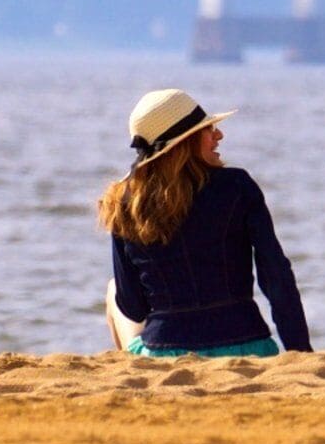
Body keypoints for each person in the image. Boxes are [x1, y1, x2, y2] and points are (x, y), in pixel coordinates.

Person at [99, 88, 312, 359]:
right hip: (247, 346)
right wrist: (301, 352)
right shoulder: (237, 187)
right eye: (208, 129)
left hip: (165, 354)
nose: (219, 135)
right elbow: (276, 277)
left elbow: (133, 307)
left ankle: (134, 373)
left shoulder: (125, 202)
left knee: (113, 289)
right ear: (184, 142)